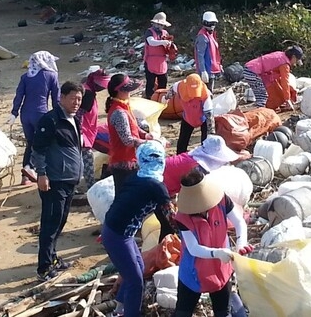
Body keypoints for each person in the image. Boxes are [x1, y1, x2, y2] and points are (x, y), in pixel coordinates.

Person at [102, 139, 174, 317]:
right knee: (135, 280)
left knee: (138, 268)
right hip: (118, 236)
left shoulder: (137, 176)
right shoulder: (156, 185)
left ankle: (119, 309)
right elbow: (171, 218)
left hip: (116, 231)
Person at [174, 168, 252, 317]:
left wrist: (241, 243)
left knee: (222, 312)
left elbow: (239, 222)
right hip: (193, 273)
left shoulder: (221, 200)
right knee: (183, 313)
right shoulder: (183, 217)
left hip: (221, 270)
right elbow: (193, 248)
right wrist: (216, 253)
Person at [31, 81, 84, 281]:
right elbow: (38, 149)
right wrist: (41, 174)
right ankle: (44, 267)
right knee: (50, 224)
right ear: (61, 98)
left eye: (79, 99)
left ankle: (53, 259)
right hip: (54, 180)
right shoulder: (51, 120)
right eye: (72, 98)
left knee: (60, 221)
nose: (76, 102)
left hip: (69, 180)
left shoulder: (73, 119)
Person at [7, 51, 60, 185]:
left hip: (25, 115)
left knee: (30, 142)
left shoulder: (25, 77)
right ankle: (33, 169)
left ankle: (25, 176)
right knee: (43, 143)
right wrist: (58, 115)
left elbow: (19, 96)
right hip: (40, 114)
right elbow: (56, 98)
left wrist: (14, 113)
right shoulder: (51, 75)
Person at [106, 73, 154, 194]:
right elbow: (127, 140)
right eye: (127, 90)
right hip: (124, 162)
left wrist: (145, 135)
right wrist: (147, 143)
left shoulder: (124, 106)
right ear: (120, 91)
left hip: (131, 159)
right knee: (125, 198)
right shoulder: (119, 112)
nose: (129, 93)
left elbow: (135, 127)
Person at [164, 135, 239, 197]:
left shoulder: (194, 155)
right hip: (159, 185)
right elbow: (192, 194)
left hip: (163, 176)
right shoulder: (197, 169)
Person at [77, 66, 111, 189]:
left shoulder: (87, 89)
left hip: (86, 132)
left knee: (82, 161)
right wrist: (79, 132)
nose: (102, 87)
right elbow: (79, 114)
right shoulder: (88, 94)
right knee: (87, 161)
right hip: (83, 132)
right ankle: (91, 186)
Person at [243, 45, 303, 110]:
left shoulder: (280, 55)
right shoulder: (284, 64)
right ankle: (260, 113)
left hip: (249, 69)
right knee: (263, 96)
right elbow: (285, 82)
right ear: (293, 57)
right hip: (253, 72)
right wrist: (287, 99)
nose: (295, 63)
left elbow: (273, 76)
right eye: (296, 60)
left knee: (260, 95)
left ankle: (260, 110)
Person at [166, 74, 215, 154]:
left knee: (206, 141)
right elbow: (171, 90)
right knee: (182, 140)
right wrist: (166, 98)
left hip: (203, 118)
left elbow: (209, 115)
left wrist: (211, 132)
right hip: (188, 117)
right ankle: (180, 157)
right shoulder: (180, 86)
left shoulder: (205, 94)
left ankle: (206, 156)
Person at [143, 12, 172, 99]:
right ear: (154, 23)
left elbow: (168, 45)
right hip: (151, 61)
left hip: (162, 61)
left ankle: (161, 99)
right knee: (150, 83)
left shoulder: (165, 33)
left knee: (163, 82)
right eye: (159, 24)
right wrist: (162, 42)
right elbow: (151, 42)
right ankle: (149, 98)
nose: (160, 26)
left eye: (162, 25)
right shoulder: (149, 32)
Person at [194, 11, 222, 92]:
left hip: (212, 69)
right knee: (206, 93)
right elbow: (200, 55)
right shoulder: (202, 37)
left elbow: (215, 53)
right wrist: (203, 71)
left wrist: (219, 65)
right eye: (210, 24)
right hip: (207, 69)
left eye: (214, 24)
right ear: (205, 23)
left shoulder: (211, 35)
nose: (212, 26)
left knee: (210, 92)